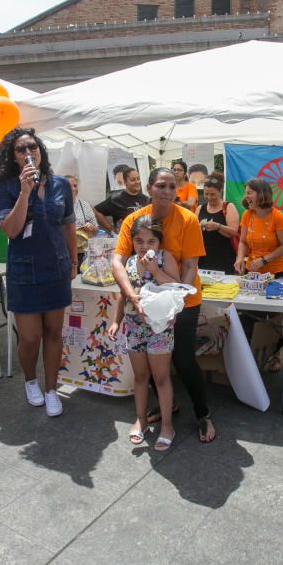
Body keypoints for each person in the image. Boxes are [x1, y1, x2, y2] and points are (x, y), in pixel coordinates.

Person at [112, 167, 216, 443]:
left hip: (182, 301)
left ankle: (203, 415)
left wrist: (176, 302)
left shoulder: (188, 219)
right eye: (161, 186)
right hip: (143, 305)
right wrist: (130, 296)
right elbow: (117, 261)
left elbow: (191, 263)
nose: (167, 192)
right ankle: (167, 407)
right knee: (148, 364)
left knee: (182, 359)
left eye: (172, 186)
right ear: (149, 188)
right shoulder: (134, 220)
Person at [0, 128, 77, 417]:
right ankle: (30, 381)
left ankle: (51, 389)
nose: (28, 153)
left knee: (53, 333)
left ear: (41, 151)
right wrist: (24, 193)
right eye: (20, 150)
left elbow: (68, 226)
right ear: (12, 157)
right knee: (30, 338)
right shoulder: (6, 189)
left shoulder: (60, 185)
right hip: (24, 272)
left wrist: (73, 262)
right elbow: (11, 230)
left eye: (32, 147)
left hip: (57, 269)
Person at [107, 216, 181, 451]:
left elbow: (176, 288)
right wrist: (116, 321)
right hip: (134, 328)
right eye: (139, 240)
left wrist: (155, 270)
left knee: (161, 378)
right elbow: (122, 293)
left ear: (159, 243)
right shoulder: (128, 262)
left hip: (160, 329)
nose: (144, 246)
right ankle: (140, 419)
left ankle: (167, 425)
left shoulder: (164, 258)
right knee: (140, 377)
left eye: (151, 241)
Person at [234, 178, 283, 360]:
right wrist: (240, 258)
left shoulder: (278, 217)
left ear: (262, 194)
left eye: (250, 192)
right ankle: (250, 355)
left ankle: (273, 354)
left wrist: (264, 260)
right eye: (246, 193)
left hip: (276, 272)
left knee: (273, 317)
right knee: (249, 313)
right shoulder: (247, 215)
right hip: (252, 272)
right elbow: (243, 242)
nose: (246, 196)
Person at [195, 173, 238, 274]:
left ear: (220, 191)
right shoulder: (200, 208)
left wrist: (218, 226)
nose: (209, 197)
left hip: (224, 258)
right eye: (206, 194)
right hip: (203, 257)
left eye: (213, 194)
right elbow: (194, 231)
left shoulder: (228, 207)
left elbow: (233, 232)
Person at [94, 167, 149, 231]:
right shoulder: (116, 199)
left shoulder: (146, 199)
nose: (137, 182)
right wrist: (110, 228)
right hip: (124, 238)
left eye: (138, 178)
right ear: (125, 182)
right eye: (133, 180)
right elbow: (96, 211)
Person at [65, 174, 99, 265]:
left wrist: (92, 227)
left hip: (83, 253)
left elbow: (96, 230)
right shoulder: (57, 206)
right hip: (64, 253)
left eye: (75, 186)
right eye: (69, 186)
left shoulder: (84, 205)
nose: (73, 189)